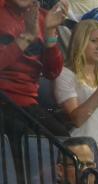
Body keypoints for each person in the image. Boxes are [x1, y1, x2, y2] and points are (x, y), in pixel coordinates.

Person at [0, 0, 69, 144]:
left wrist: (50, 32)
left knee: (64, 140)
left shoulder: (44, 18)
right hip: (3, 100)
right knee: (29, 143)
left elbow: (52, 73)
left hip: (28, 104)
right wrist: (26, 36)